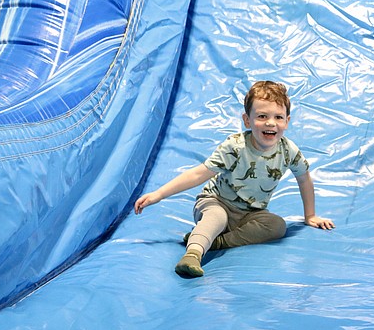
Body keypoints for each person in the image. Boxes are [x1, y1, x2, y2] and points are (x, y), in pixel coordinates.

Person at [134, 80, 335, 277]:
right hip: (216, 202)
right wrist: (159, 194)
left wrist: (310, 216)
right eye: (262, 116)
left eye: (278, 117)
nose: (271, 123)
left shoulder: (288, 150)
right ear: (247, 120)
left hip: (250, 213)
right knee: (216, 217)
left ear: (287, 121)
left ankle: (219, 242)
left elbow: (304, 179)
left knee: (277, 226)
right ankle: (192, 255)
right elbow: (199, 173)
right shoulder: (235, 147)